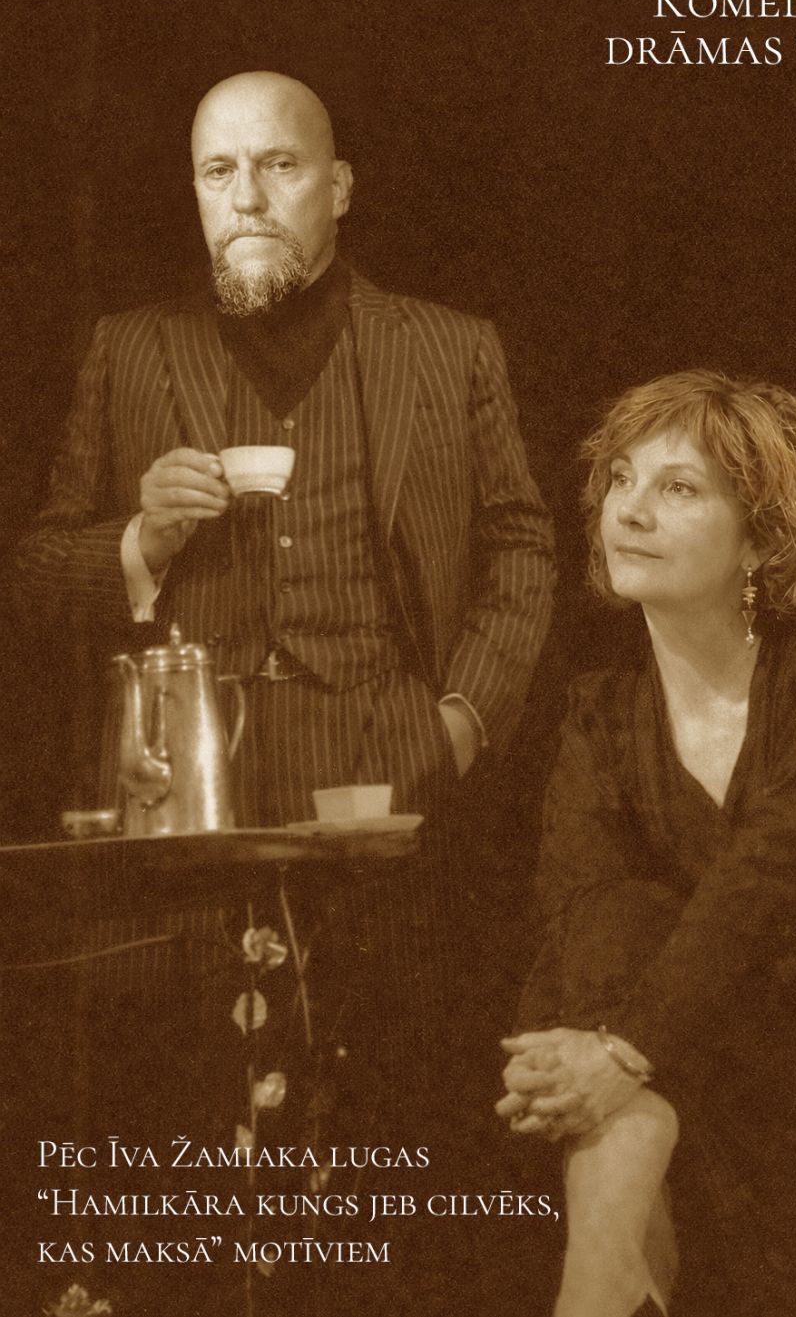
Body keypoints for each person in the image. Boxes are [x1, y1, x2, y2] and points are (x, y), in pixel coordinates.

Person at [15, 71, 555, 1096]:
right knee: (192, 1101)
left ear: (338, 187)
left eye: (279, 165)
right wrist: (142, 539)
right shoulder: (127, 348)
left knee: (377, 1091)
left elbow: (521, 545)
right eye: (218, 171)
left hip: (387, 782)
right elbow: (37, 574)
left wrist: (461, 721)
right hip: (186, 803)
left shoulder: (449, 348)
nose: (247, 197)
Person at [497, 371, 796, 1317]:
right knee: (610, 916)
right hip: (685, 1084)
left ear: (762, 537)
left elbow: (768, 883)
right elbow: (578, 916)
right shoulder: (600, 712)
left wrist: (622, 1054)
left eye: (678, 487)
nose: (630, 510)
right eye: (621, 479)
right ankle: (605, 1280)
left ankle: (603, 1287)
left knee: (628, 940)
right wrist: (593, 1055)